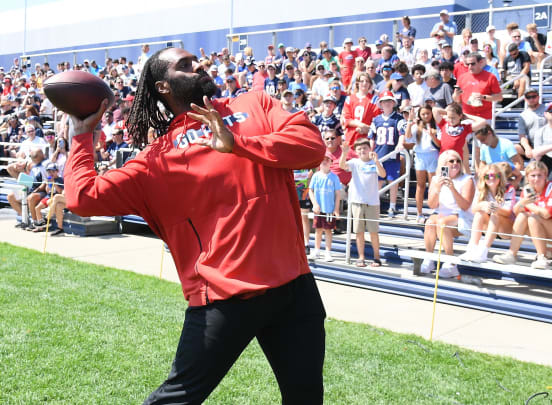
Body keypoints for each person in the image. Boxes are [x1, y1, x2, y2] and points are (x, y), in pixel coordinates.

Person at [64, 47, 327, 404]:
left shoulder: (254, 103)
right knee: (177, 399)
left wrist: (237, 144)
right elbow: (83, 197)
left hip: (294, 286)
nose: (199, 65)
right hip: (226, 297)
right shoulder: (156, 160)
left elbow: (311, 147)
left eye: (196, 60)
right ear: (163, 87)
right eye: (184, 65)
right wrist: (82, 135)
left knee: (306, 398)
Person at [493, 160, 552, 269]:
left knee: (533, 218)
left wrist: (526, 204)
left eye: (540, 175)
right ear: (527, 177)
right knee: (523, 216)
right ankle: (511, 254)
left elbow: (546, 214)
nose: (536, 179)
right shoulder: (527, 190)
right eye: (533, 175)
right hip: (539, 230)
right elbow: (516, 212)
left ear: (545, 175)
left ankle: (542, 257)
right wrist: (522, 203)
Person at [420, 150, 475, 277]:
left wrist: (452, 188)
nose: (455, 163)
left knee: (442, 223)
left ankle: (451, 262)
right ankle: (429, 258)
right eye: (451, 161)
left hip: (460, 215)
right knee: (430, 222)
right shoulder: (436, 179)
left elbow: (465, 206)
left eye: (458, 161)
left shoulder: (467, 179)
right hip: (441, 214)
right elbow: (432, 205)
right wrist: (437, 189)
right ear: (443, 164)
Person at [339, 138, 385, 268]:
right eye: (359, 149)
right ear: (356, 151)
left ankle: (377, 257)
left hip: (372, 202)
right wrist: (344, 152)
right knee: (359, 231)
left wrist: (376, 161)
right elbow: (342, 166)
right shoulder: (354, 162)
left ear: (369, 149)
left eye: (364, 148)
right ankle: (361, 257)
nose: (362, 151)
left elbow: (383, 173)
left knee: (373, 231)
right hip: (357, 201)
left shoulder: (375, 162)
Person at [459, 162, 517, 263]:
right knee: (479, 213)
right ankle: (472, 248)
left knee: (495, 212)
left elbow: (508, 212)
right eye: (487, 176)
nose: (491, 178)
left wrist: (495, 207)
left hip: (505, 229)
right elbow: (473, 209)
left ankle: (483, 251)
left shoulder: (509, 188)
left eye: (495, 175)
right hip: (489, 227)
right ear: (483, 178)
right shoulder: (481, 189)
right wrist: (483, 205)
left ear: (500, 177)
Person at [368, 91, 405, 218]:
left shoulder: (398, 119)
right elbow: (372, 137)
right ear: (381, 104)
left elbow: (402, 134)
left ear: (393, 103)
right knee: (377, 182)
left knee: (392, 181)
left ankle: (392, 206)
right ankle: (375, 206)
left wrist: (400, 144)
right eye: (384, 102)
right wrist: (371, 150)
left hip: (392, 154)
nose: (387, 104)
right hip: (379, 155)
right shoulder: (376, 120)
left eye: (389, 101)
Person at [405, 104, 440, 223]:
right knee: (420, 185)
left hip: (433, 156)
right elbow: (408, 138)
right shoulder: (416, 127)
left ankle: (434, 210)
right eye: (423, 114)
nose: (425, 116)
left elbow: (440, 144)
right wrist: (410, 122)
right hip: (420, 157)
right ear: (419, 115)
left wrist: (433, 135)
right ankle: (419, 213)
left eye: (428, 113)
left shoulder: (437, 126)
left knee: (433, 185)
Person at [308, 153, 343, 261]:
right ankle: (316, 251)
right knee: (318, 230)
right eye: (322, 159)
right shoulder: (316, 176)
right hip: (318, 210)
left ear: (331, 163)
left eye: (327, 160)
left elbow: (338, 194)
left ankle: (328, 252)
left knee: (328, 231)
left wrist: (336, 209)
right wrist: (315, 204)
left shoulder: (334, 177)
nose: (324, 162)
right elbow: (311, 190)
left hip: (329, 209)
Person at [433, 103, 486, 173]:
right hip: (444, 160)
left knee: (456, 181)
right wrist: (448, 112)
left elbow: (483, 122)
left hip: (456, 161)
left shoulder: (465, 128)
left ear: (460, 116)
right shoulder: (443, 124)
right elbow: (434, 110)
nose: (451, 120)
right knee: (444, 180)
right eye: (449, 117)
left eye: (453, 117)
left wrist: (467, 116)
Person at [456, 52, 502, 121]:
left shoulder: (490, 77)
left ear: (480, 62)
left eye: (473, 64)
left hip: (484, 117)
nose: (470, 67)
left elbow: (499, 97)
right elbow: (457, 100)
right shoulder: (462, 77)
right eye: (468, 64)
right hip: (467, 117)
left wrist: (483, 97)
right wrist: (456, 95)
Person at [343, 73, 380, 147]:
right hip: (351, 137)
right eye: (362, 81)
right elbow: (347, 119)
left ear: (370, 84)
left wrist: (368, 129)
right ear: (357, 83)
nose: (364, 83)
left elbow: (378, 120)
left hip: (366, 139)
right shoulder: (350, 99)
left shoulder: (374, 100)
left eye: (367, 81)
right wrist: (360, 125)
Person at [516, 88, 545, 159]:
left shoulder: (548, 109)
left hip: (546, 143)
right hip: (532, 144)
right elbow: (522, 136)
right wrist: (527, 148)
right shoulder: (523, 115)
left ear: (538, 97)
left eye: (534, 96)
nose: (531, 99)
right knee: (513, 149)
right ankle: (520, 169)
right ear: (525, 99)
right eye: (528, 97)